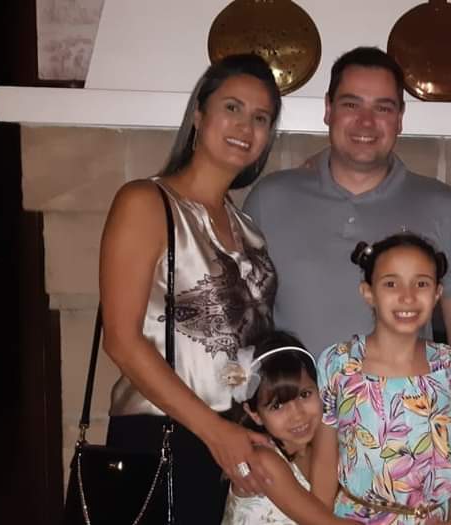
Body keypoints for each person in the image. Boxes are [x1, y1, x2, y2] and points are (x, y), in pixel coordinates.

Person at [98, 53, 282, 523]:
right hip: (163, 435)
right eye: (232, 107)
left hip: (235, 439)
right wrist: (215, 433)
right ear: (199, 115)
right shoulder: (146, 202)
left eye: (261, 118)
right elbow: (120, 340)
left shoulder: (249, 230)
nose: (245, 126)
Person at [242, 47, 451, 384]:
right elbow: (242, 320)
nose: (366, 122)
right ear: (328, 109)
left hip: (403, 410)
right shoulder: (270, 198)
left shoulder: (440, 204)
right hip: (295, 409)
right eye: (351, 105)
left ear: (400, 118)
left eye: (383, 108)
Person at [311, 233, 451, 524]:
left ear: (437, 293)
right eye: (391, 283)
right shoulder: (339, 363)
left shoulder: (448, 364)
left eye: (421, 283)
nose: (408, 296)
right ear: (368, 292)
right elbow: (325, 461)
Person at [220, 331, 358, 525]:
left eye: (305, 395)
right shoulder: (261, 459)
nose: (297, 414)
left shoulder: (325, 445)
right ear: (255, 414)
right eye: (277, 406)